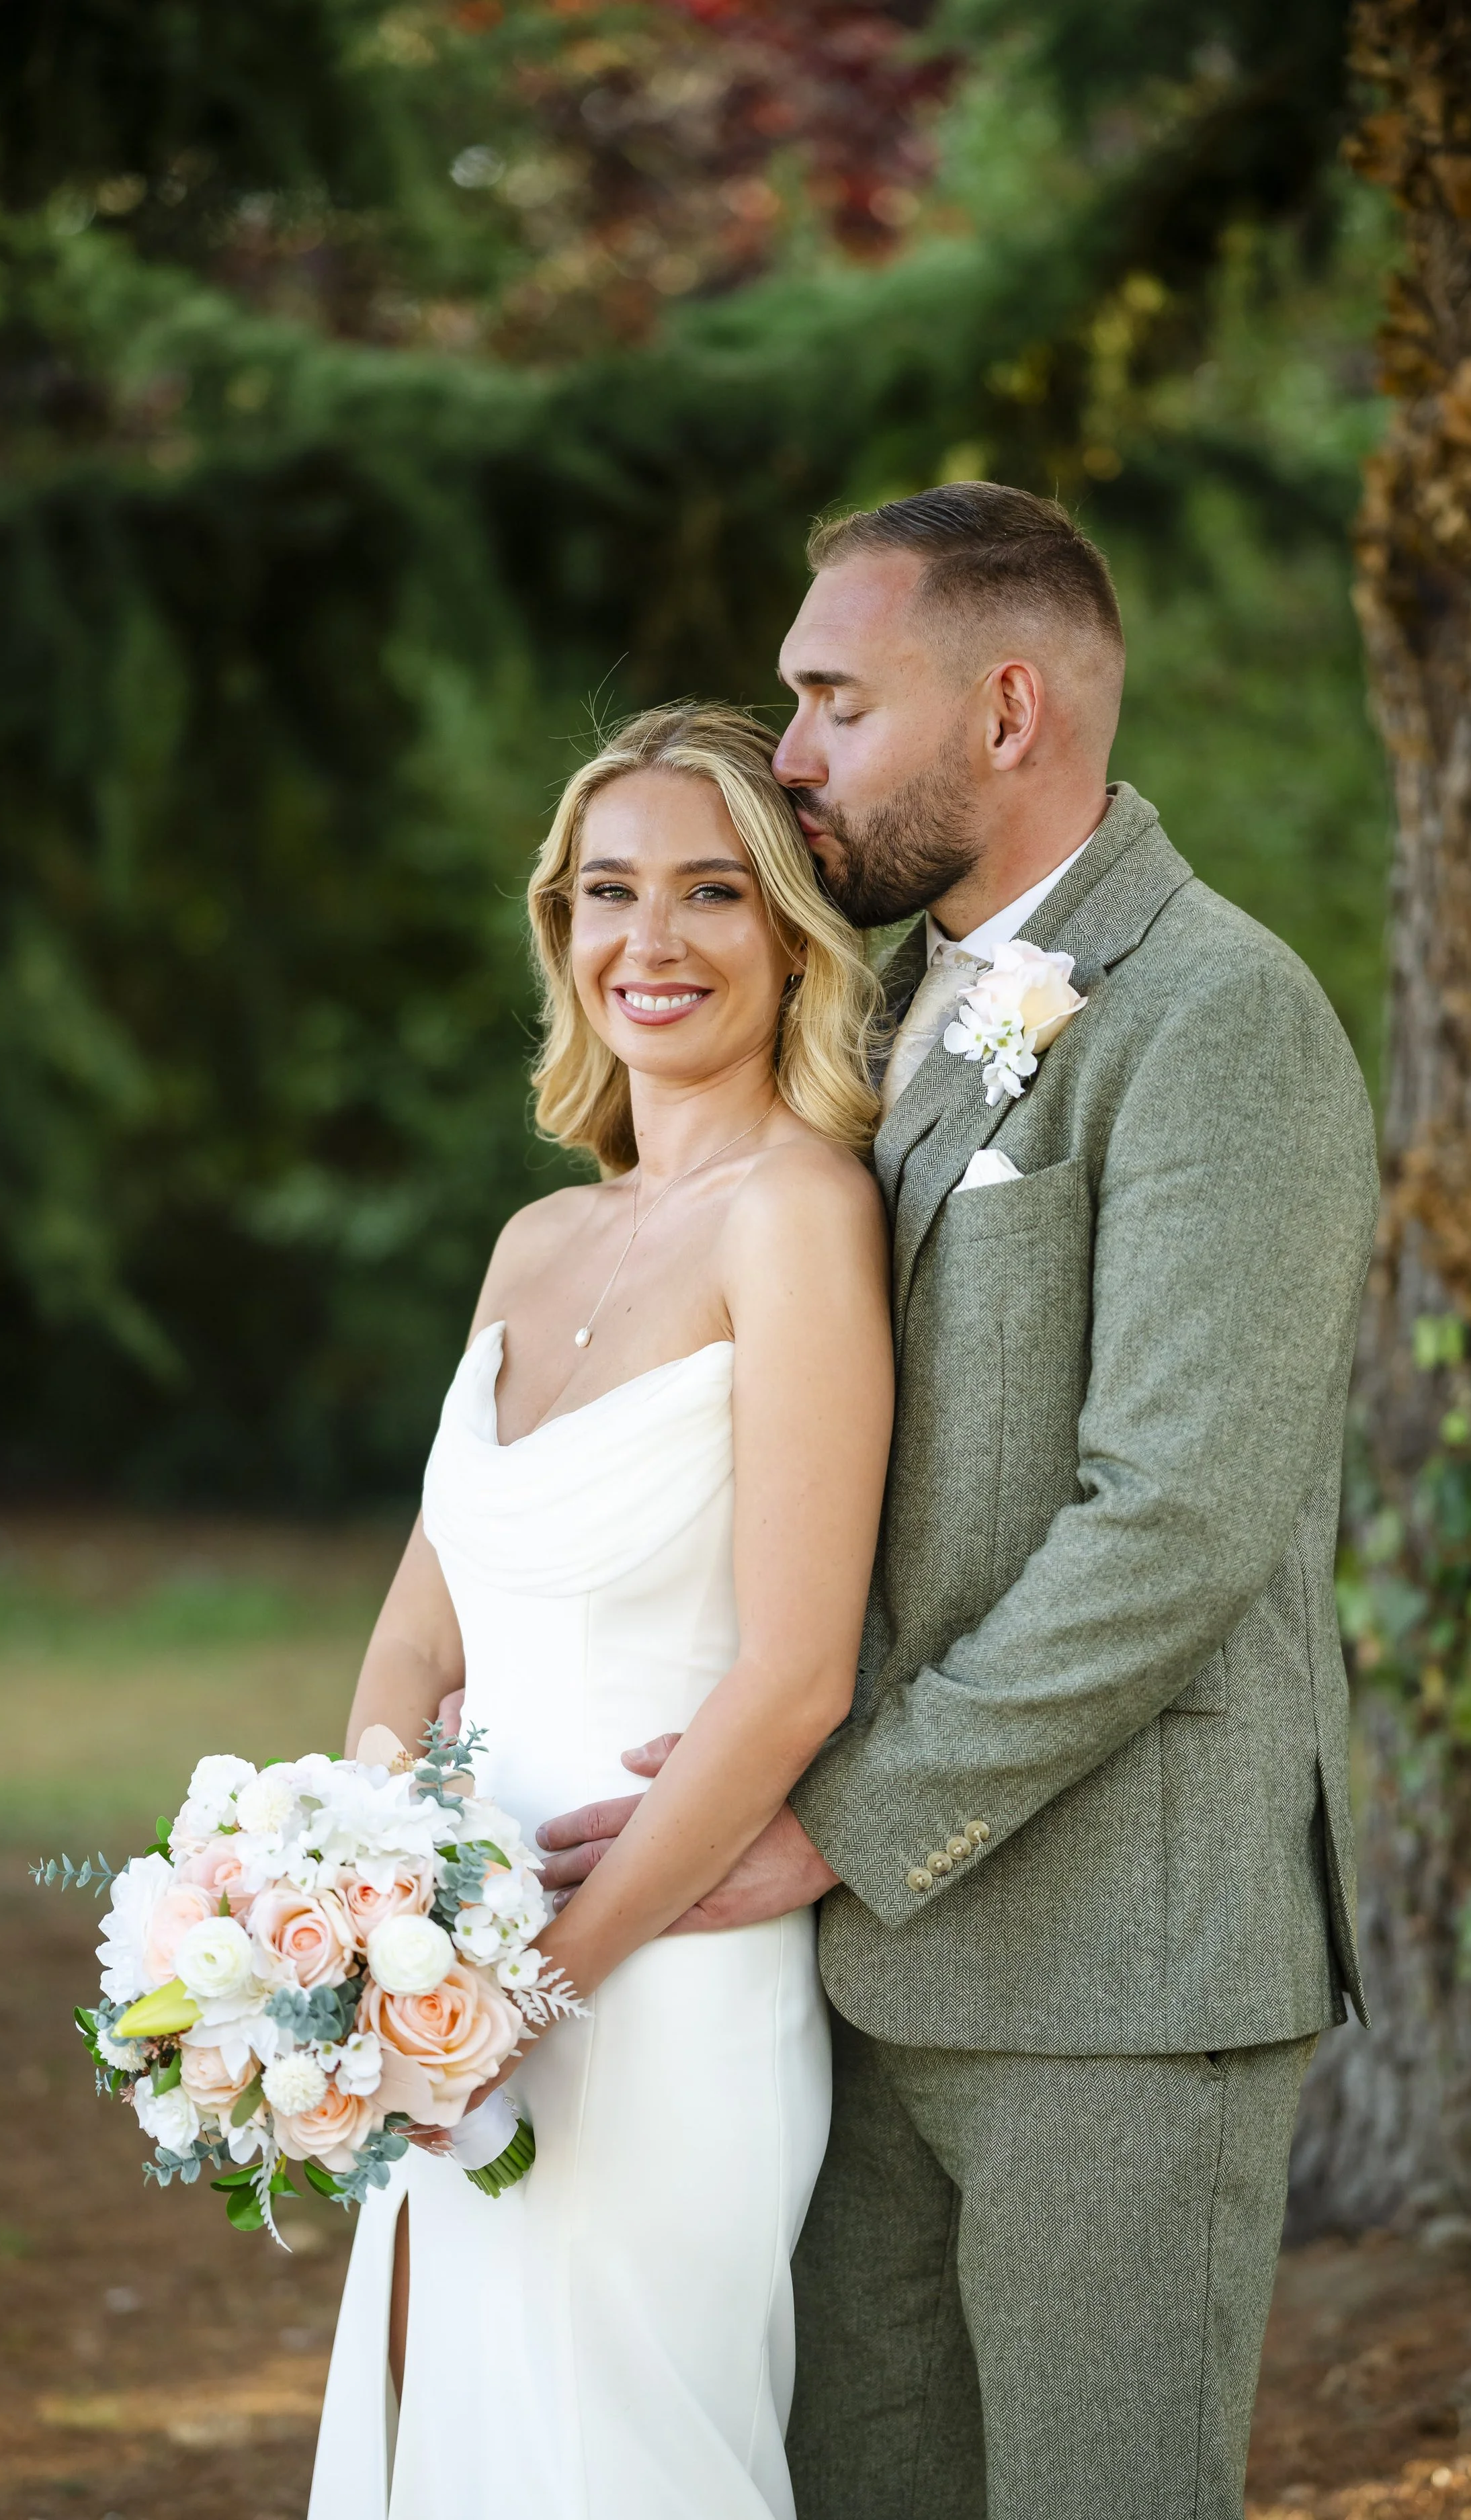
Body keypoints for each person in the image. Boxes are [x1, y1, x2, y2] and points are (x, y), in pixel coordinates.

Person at [538, 483, 1382, 2520]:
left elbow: (1170, 1523)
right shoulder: (883, 1009)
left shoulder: (1217, 1020)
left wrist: (843, 1818)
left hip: (1117, 1972)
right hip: (834, 1985)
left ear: (1005, 710)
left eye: (832, 698)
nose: (793, 756)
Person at [308, 703, 894, 2519]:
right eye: (610, 892)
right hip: (448, 1982)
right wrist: (367, 1914)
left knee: (616, 2459)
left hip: (660, 1979)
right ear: (561, 929)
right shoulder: (534, 1241)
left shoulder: (797, 1215)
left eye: (713, 891)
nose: (654, 940)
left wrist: (536, 1986)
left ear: (792, 933)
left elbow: (795, 1674)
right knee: (446, 2438)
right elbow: (422, 1624)